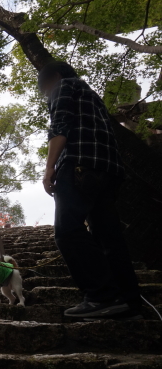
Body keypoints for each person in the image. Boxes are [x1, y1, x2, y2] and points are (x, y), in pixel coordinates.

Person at [39, 61, 142, 320]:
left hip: (79, 166)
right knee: (109, 237)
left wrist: (50, 167)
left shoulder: (62, 86)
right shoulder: (92, 97)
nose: (45, 94)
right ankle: (129, 302)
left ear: (55, 77)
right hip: (108, 171)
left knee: (68, 232)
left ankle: (102, 295)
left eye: (45, 87)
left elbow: (60, 125)